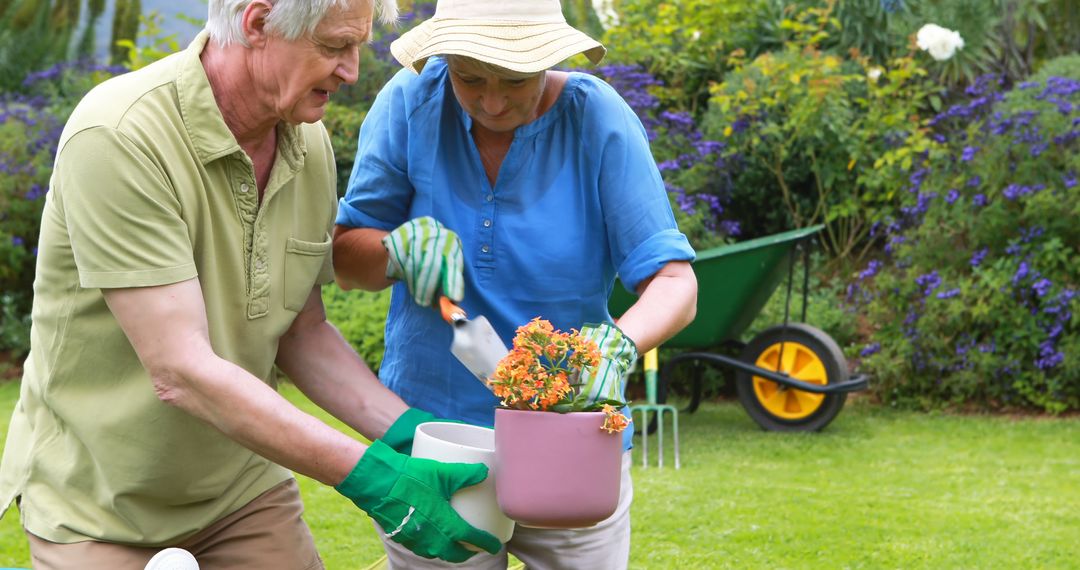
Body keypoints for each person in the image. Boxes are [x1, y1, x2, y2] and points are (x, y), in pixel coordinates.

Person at [0, 0, 505, 568]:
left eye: (357, 46)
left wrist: (411, 432)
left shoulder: (303, 140)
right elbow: (181, 369)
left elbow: (303, 331)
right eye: (335, 46)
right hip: (99, 502)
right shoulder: (121, 134)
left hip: (241, 490)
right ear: (259, 23)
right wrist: (374, 477)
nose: (352, 71)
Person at [331, 0, 699, 567]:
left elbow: (675, 281)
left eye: (515, 79)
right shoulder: (408, 102)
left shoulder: (595, 118)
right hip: (435, 434)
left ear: (550, 59)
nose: (492, 101)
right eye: (469, 78)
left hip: (571, 428)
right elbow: (345, 260)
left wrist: (617, 347)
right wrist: (393, 252)